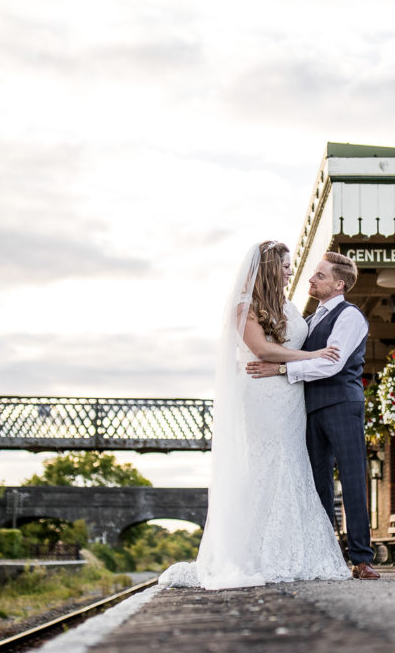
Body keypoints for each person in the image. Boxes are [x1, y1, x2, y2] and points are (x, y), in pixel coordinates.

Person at [159, 241, 353, 589]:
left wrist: (298, 363)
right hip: (261, 392)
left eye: (291, 265)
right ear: (267, 268)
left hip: (289, 394)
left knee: (293, 462)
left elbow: (286, 348)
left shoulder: (288, 305)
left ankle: (297, 550)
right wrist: (312, 356)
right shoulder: (243, 306)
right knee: (266, 462)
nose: (291, 271)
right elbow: (262, 349)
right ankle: (254, 553)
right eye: (285, 266)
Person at [246, 251, 377, 579]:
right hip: (308, 408)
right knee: (317, 482)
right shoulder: (312, 318)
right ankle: (327, 554)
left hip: (341, 404)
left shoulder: (349, 317)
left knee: (351, 478)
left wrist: (280, 368)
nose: (311, 279)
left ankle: (362, 559)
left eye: (320, 275)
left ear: (338, 284)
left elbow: (331, 363)